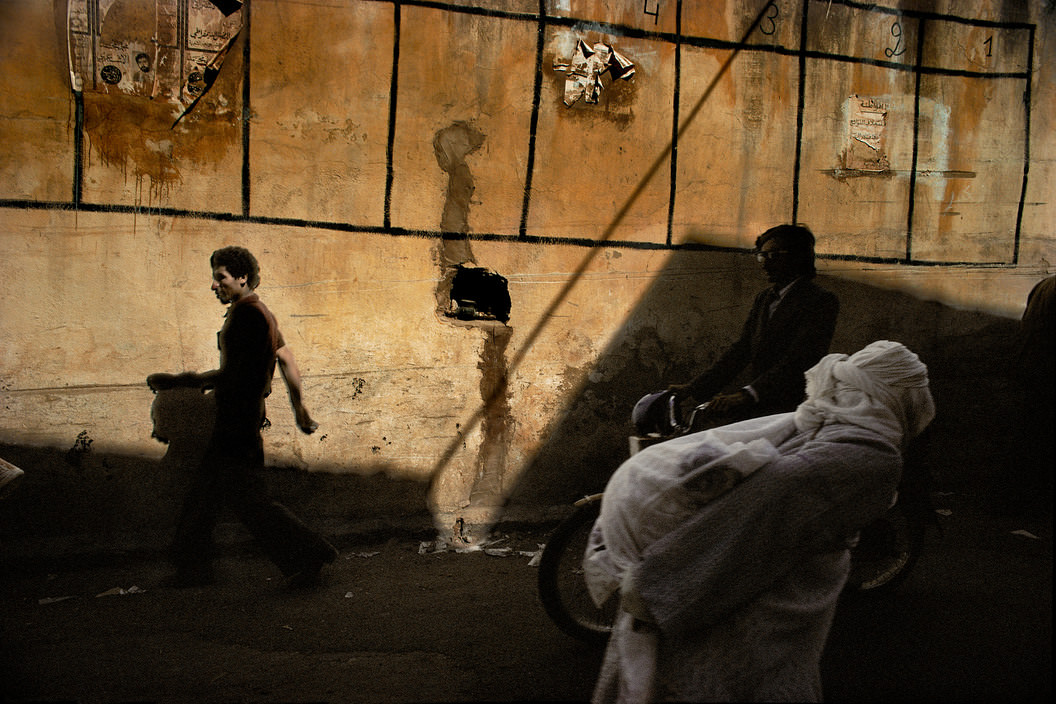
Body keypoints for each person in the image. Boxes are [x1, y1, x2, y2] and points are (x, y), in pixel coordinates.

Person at [586, 340, 935, 703]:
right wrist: (660, 587)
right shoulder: (869, 455)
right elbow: (758, 516)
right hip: (751, 618)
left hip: (741, 600)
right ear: (901, 399)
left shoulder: (820, 420)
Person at [147, 246, 336, 588]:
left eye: (220, 277)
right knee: (206, 495)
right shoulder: (257, 312)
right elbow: (287, 359)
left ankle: (308, 556)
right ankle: (194, 568)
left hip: (238, 422)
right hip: (239, 419)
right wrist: (300, 410)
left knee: (248, 501)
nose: (214, 285)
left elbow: (236, 374)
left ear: (241, 277)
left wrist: (182, 382)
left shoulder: (248, 316)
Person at [670, 224, 839, 424]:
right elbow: (741, 350)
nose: (764, 264)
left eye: (773, 255)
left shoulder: (819, 301)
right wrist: (694, 388)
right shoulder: (765, 298)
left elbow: (799, 360)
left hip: (791, 408)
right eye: (762, 256)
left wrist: (747, 394)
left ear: (797, 256)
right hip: (756, 405)